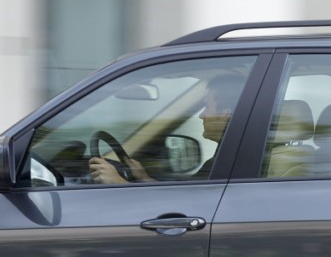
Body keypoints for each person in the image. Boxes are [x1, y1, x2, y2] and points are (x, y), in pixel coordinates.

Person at [87, 72, 243, 185]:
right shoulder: (228, 158)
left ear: (225, 113)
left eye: (207, 107)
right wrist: (144, 178)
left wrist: (118, 182)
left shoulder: (229, 163)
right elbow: (184, 198)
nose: (202, 116)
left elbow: (189, 207)